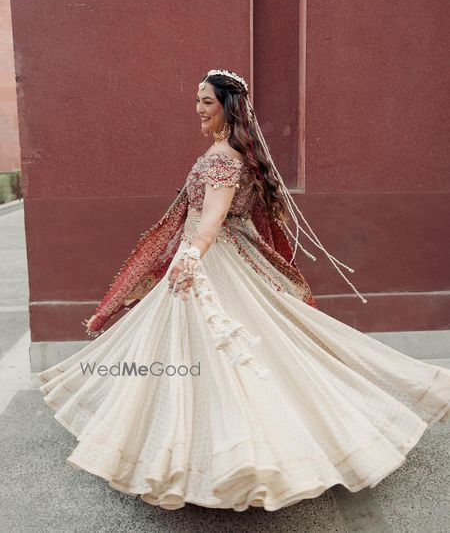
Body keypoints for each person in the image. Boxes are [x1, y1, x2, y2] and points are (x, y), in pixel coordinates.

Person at [38, 69, 450, 512]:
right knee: (216, 346)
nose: (198, 109)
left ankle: (231, 454)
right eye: (196, 100)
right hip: (219, 253)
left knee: (218, 347)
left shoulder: (222, 158)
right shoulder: (233, 152)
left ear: (227, 107)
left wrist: (192, 258)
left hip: (210, 260)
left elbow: (213, 218)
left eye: (207, 102)